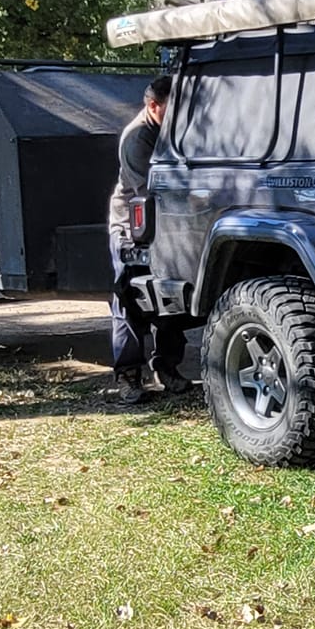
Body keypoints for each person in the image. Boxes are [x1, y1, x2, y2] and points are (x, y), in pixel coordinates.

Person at [107, 76, 189, 404]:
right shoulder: (137, 137)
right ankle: (128, 376)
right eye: (172, 108)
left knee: (171, 300)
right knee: (129, 304)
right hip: (132, 231)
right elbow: (152, 192)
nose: (179, 115)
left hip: (170, 228)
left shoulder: (177, 130)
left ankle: (166, 368)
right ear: (153, 105)